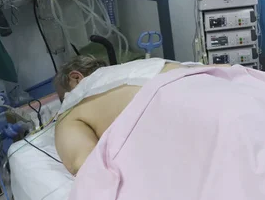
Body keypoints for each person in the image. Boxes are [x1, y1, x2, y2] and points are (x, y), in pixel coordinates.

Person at [53, 55, 219, 174]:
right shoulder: (151, 64)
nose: (63, 105)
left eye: (62, 98)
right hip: (222, 88)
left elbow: (86, 167)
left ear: (76, 78)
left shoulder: (71, 107)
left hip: (197, 124)